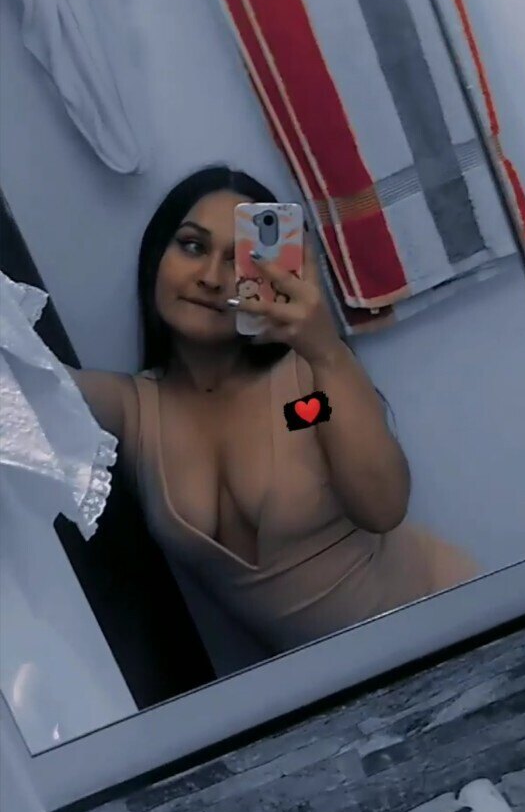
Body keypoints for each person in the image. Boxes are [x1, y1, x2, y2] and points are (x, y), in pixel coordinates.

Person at [71, 166, 475, 657]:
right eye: (193, 246)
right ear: (157, 255)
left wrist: (326, 352)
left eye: (238, 260)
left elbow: (383, 506)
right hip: (337, 685)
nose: (211, 278)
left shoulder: (302, 396)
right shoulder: (134, 409)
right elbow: (28, 390)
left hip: (449, 622)